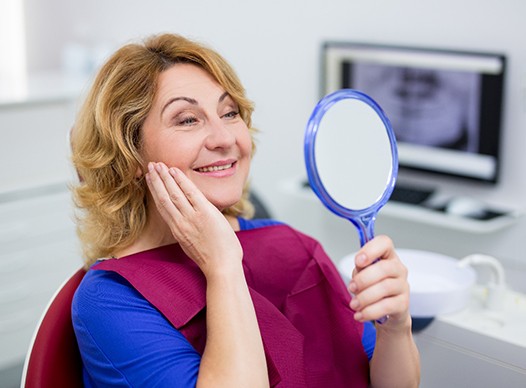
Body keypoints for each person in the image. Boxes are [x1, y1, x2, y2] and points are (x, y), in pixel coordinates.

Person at [70, 33, 420, 387]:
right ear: (129, 154)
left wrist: (397, 329)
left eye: (229, 113)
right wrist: (222, 266)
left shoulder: (293, 247)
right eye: (188, 119)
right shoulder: (110, 299)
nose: (225, 139)